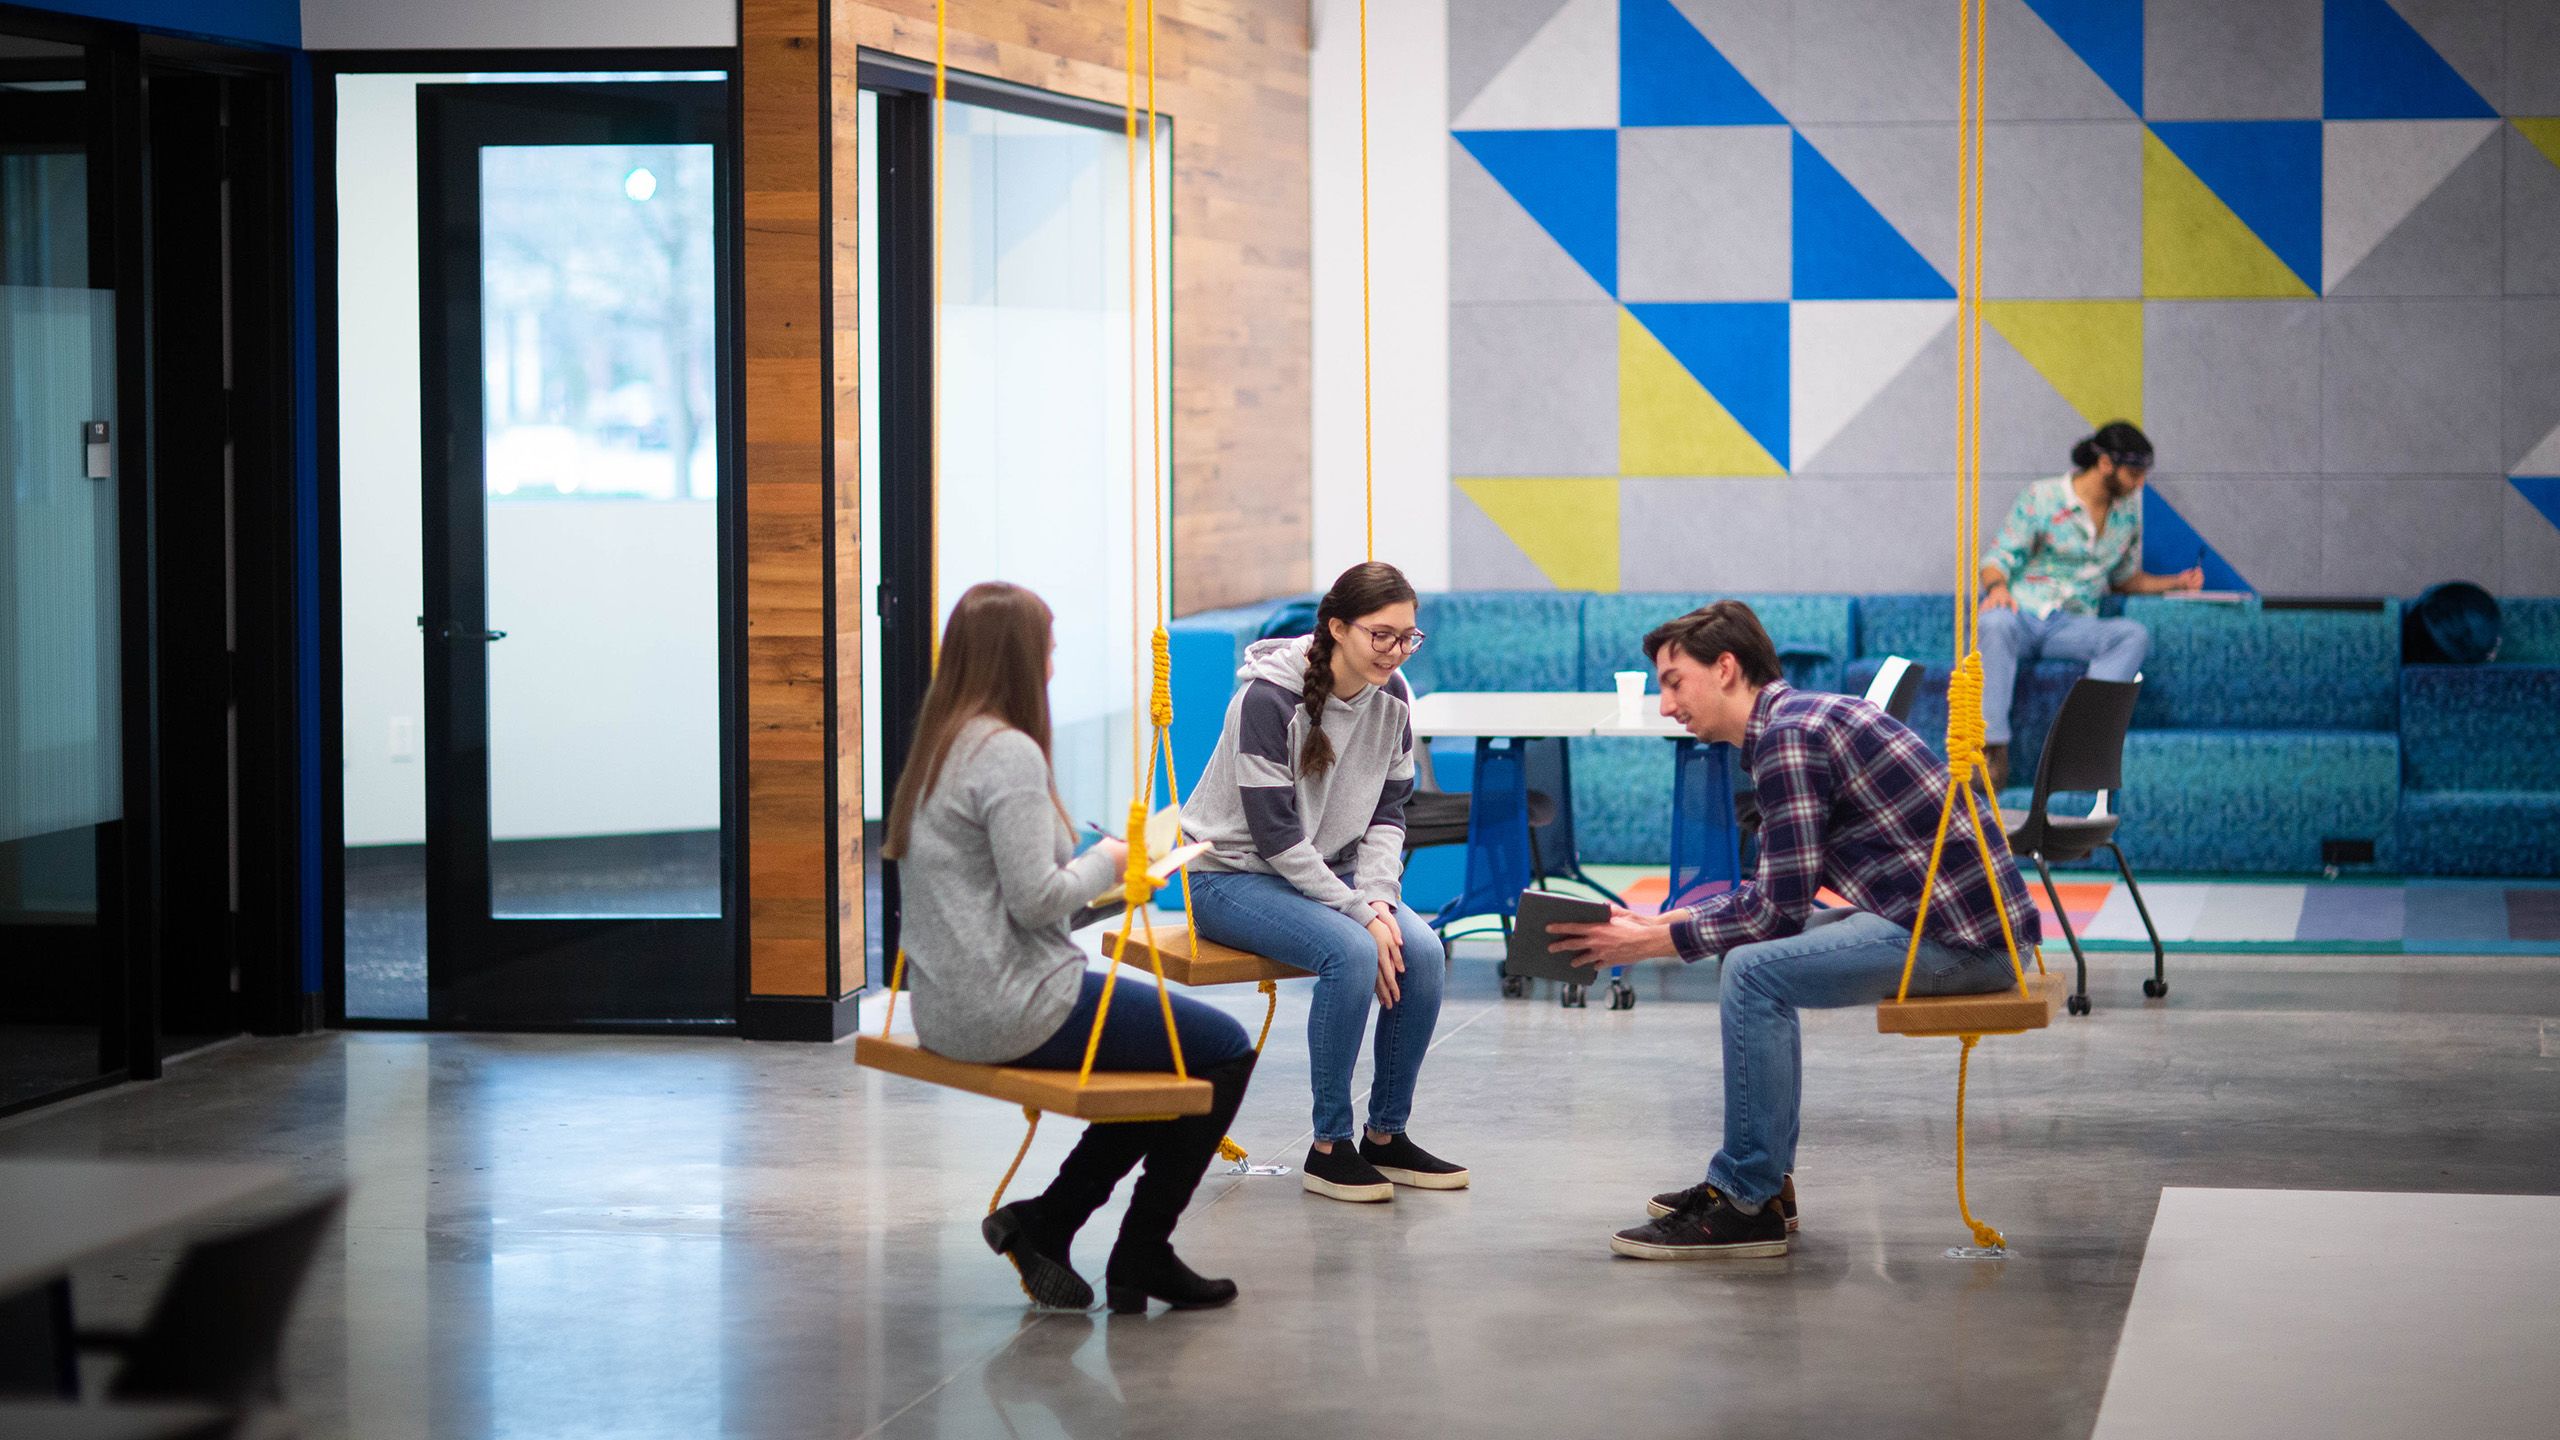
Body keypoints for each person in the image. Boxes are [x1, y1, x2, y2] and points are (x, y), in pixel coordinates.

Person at [1548, 600, 2043, 1259]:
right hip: (1944, 922)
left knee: (1753, 969)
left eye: (1674, 682)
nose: (1667, 706)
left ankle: (1746, 1203)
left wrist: (1654, 941)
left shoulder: (1788, 738)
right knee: (1747, 956)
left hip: (1967, 945)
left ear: (1725, 669)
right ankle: (1761, 1183)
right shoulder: (1799, 718)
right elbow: (1777, 891)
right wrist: (1688, 920)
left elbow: (1777, 910)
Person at [884, 581, 1257, 1314]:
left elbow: (1002, 891)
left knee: (1159, 1066)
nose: (1054, 664)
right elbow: (1037, 901)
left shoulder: (940, 742)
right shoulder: (1008, 754)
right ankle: (1140, 1248)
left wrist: (1101, 874)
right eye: (1048, 649)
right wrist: (1116, 859)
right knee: (1221, 1049)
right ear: (1021, 658)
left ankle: (1051, 1221)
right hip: (1016, 1002)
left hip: (946, 1004)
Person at [1184, 561, 1468, 1203]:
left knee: (1421, 951)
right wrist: (1360, 915)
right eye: (1382, 635)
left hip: (1325, 873)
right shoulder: (1266, 701)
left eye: (1408, 637)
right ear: (1337, 628)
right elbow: (1277, 835)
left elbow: (1390, 814)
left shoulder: (1393, 700)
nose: (1396, 652)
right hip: (1230, 876)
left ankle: (1386, 1137)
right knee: (1352, 951)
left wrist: (1378, 898)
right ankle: (1329, 1145)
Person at [1977, 420, 2202, 787]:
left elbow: (2124, 579)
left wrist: (2176, 582)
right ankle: (1992, 750)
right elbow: (1995, 560)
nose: (2140, 483)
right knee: (1993, 623)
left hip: (2074, 624)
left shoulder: (2128, 514)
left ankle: (2083, 746)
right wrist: (1998, 588)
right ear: (2105, 464)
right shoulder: (2043, 497)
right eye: (2134, 473)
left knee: (2132, 635)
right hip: (2025, 615)